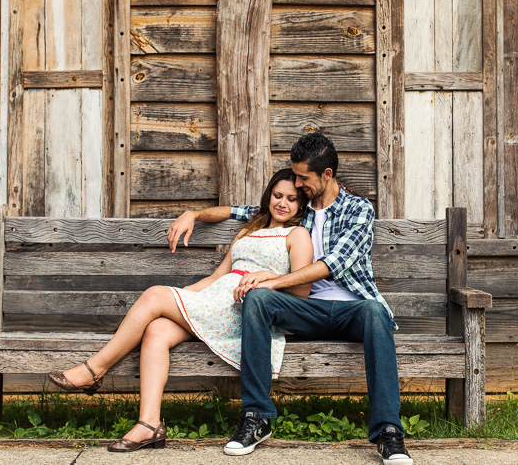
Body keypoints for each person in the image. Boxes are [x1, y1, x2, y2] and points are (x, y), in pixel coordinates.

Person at [167, 133, 412, 465]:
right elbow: (238, 211)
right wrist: (194, 214)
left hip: (352, 310)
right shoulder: (300, 206)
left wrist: (275, 279)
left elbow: (331, 265)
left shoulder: (358, 210)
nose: (297, 184)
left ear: (326, 174)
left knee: (374, 312)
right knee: (258, 299)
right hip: (305, 309)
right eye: (295, 177)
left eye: (303, 178)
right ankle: (256, 417)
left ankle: (389, 434)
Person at [47, 169, 313, 452]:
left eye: (292, 199)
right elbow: (215, 278)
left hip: (245, 310)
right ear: (268, 196)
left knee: (154, 295)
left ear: (300, 205)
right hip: (215, 301)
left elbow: (300, 291)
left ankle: (95, 369)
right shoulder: (248, 230)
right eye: (278, 195)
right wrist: (182, 298)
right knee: (156, 329)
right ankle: (149, 426)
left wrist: (265, 277)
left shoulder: (297, 235)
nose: (283, 203)